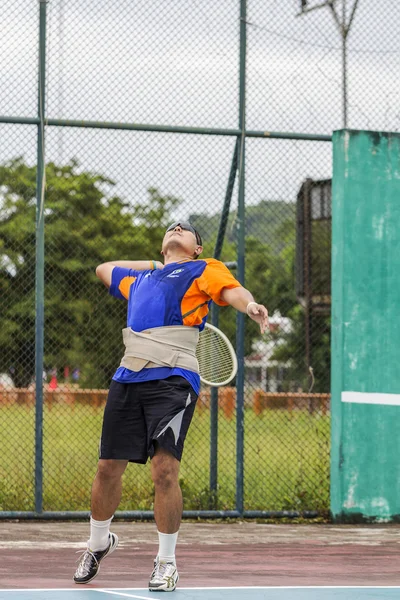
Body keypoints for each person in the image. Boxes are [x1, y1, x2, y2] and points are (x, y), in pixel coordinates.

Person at [73, 221, 269, 591]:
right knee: (107, 468)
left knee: (164, 470)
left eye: (186, 229)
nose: (177, 227)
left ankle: (166, 562)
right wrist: (155, 263)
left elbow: (232, 291)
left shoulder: (204, 268)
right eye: (170, 228)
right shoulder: (141, 281)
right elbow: (103, 269)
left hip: (176, 377)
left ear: (197, 248)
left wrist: (251, 305)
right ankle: (98, 544)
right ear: (163, 245)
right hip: (128, 376)